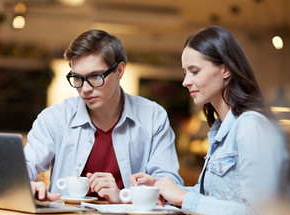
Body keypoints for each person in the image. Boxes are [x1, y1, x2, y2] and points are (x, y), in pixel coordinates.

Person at [130, 26, 290, 215]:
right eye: (185, 72)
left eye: (194, 71)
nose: (186, 82)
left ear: (225, 69)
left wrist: (183, 197)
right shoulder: (221, 129)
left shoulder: (251, 126)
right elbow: (210, 197)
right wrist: (162, 186)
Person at [25, 29, 183, 203]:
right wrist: (25, 184)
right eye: (77, 78)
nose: (85, 89)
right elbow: (25, 165)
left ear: (120, 71)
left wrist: (124, 197)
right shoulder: (54, 118)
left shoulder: (153, 117)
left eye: (95, 76)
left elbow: (169, 184)